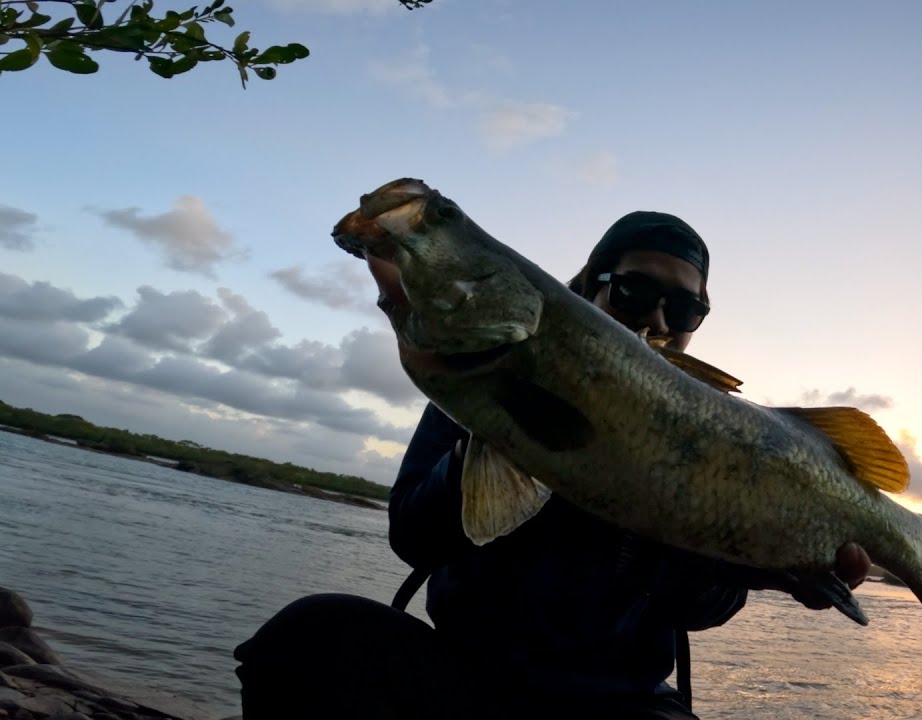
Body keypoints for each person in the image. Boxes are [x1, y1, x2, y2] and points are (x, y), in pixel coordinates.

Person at [233, 210, 871, 720]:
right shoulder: (489, 377)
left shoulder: (714, 437)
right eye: (636, 290)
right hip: (461, 674)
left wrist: (771, 566)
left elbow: (700, 609)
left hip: (622, 703)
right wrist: (513, 433)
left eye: (684, 310)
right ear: (590, 281)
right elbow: (412, 536)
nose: (656, 317)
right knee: (311, 636)